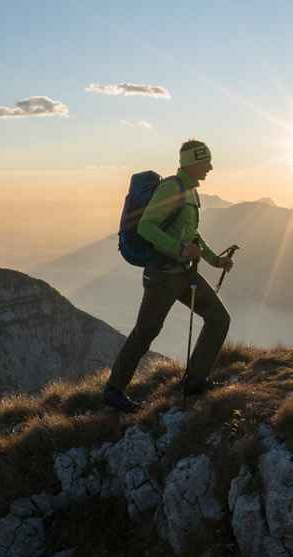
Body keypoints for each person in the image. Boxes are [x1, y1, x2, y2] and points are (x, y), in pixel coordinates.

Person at [104, 139, 234, 412]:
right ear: (192, 163)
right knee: (146, 332)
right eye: (205, 162)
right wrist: (179, 249)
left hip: (184, 274)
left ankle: (194, 382)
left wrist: (215, 260)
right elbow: (146, 227)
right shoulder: (170, 189)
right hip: (163, 276)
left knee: (219, 318)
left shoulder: (190, 192)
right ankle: (114, 390)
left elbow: (192, 235)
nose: (210, 167)